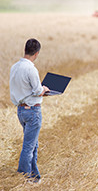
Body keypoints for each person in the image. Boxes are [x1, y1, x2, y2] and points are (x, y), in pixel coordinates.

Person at [10, 38, 49, 183]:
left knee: (33, 143)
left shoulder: (14, 67)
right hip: (33, 111)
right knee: (29, 145)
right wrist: (44, 89)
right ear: (37, 53)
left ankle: (34, 176)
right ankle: (24, 175)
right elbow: (38, 90)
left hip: (20, 111)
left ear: (25, 49)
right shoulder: (31, 69)